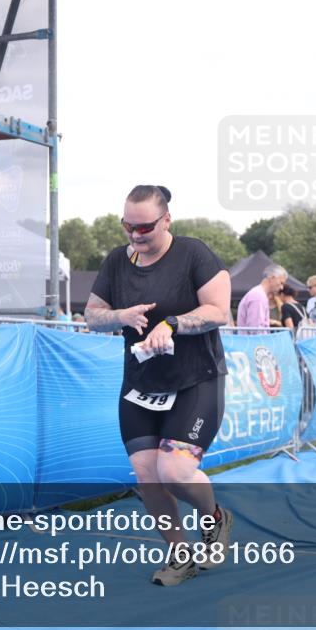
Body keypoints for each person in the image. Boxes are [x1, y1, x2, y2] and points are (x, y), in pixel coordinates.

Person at [84, 185, 233, 586]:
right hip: (140, 384)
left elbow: (219, 311)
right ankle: (179, 556)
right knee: (147, 474)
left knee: (175, 471)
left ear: (166, 220)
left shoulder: (194, 254)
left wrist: (173, 323)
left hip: (195, 380)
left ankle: (214, 517)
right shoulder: (117, 262)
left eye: (144, 227)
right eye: (127, 226)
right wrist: (120, 315)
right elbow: (92, 315)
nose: (135, 235)